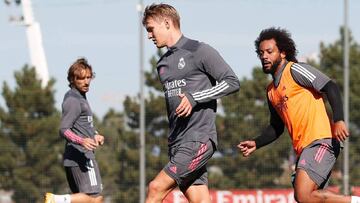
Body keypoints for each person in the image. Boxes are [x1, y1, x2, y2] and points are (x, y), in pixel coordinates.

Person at [238, 27, 360, 203]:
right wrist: (257, 142)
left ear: (282, 53)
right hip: (303, 150)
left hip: (321, 141)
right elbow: (276, 127)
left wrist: (339, 119)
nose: (264, 56)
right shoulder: (271, 91)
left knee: (302, 195)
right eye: (261, 53)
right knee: (307, 198)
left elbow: (330, 86)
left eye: (269, 51)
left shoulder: (295, 70)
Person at [142, 3, 240, 203]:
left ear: (167, 23)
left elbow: (232, 82)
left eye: (151, 29)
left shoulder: (199, 50)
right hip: (177, 143)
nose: (149, 36)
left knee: (155, 188)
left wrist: (195, 98)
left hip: (198, 139)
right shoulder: (162, 64)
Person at [45, 58, 104, 203]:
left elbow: (82, 125)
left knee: (89, 199)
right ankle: (56, 200)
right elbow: (64, 129)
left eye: (88, 77)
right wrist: (82, 141)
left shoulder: (79, 96)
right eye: (81, 78)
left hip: (75, 158)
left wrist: (95, 135)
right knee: (95, 198)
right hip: (82, 158)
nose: (86, 82)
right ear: (72, 79)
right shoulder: (73, 100)